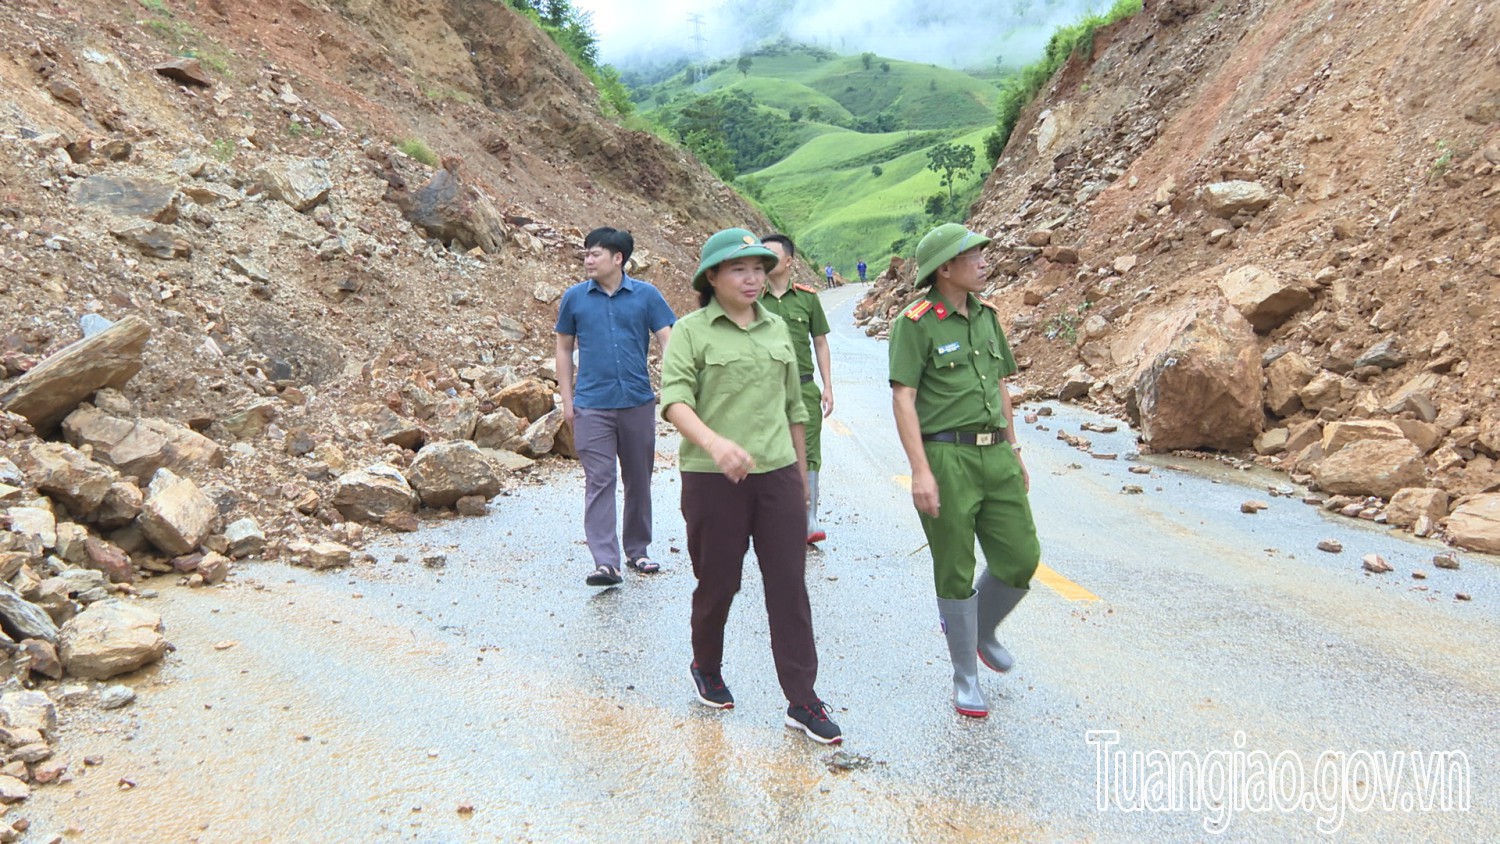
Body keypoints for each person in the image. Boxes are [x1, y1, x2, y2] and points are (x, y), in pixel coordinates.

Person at [660, 228, 842, 745]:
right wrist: (716, 445)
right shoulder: (691, 332)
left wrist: (801, 479)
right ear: (712, 276)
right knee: (719, 583)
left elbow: (795, 409)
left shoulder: (777, 331)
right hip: (711, 476)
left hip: (778, 474)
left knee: (789, 586)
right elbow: (674, 400)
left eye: (760, 268)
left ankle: (802, 700)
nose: (753, 278)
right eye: (740, 269)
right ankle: (707, 665)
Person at [887, 223, 1040, 719]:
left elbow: (999, 387)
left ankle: (982, 630)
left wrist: (1014, 449)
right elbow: (903, 398)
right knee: (953, 565)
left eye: (980, 251)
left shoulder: (987, 316)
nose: (981, 260)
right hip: (946, 457)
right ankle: (965, 676)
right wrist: (920, 471)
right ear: (944, 269)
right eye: (970, 254)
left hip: (995, 452)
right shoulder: (916, 323)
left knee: (1021, 557)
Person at [555, 227, 676, 587]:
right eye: (586, 254)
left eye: (595, 254)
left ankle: (637, 550)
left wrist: (672, 385)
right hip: (592, 404)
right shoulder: (574, 298)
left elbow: (668, 339)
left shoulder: (647, 296)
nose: (587, 259)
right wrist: (567, 400)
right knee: (599, 480)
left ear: (618, 258)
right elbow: (563, 349)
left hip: (637, 401)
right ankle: (606, 562)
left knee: (639, 479)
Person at [758, 233, 834, 545]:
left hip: (803, 387)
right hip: (764, 389)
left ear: (789, 261)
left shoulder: (808, 298)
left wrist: (828, 386)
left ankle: (808, 518)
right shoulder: (752, 298)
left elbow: (820, 342)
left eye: (771, 254)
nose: (764, 260)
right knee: (769, 450)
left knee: (810, 452)